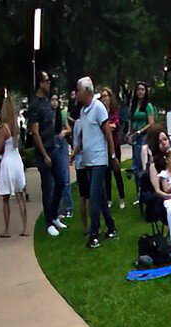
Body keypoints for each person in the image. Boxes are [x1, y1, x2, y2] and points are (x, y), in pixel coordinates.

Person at [70, 77, 117, 249]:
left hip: (99, 159)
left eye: (79, 90)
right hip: (88, 161)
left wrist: (112, 157)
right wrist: (74, 154)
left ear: (87, 91)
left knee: (94, 196)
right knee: (101, 196)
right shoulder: (83, 111)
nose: (77, 93)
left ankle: (94, 234)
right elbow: (83, 138)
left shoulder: (98, 108)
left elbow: (108, 133)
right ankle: (111, 226)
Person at [27, 72, 70, 237]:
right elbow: (35, 133)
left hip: (53, 147)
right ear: (40, 83)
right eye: (47, 81)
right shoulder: (35, 105)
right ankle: (48, 222)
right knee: (48, 186)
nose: (49, 83)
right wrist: (45, 155)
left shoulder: (46, 101)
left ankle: (53, 215)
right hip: (43, 151)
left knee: (60, 182)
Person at [0, 95, 29, 238]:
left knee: (6, 198)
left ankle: (7, 229)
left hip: (8, 161)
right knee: (20, 194)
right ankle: (25, 227)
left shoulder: (4, 128)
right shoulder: (16, 127)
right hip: (17, 160)